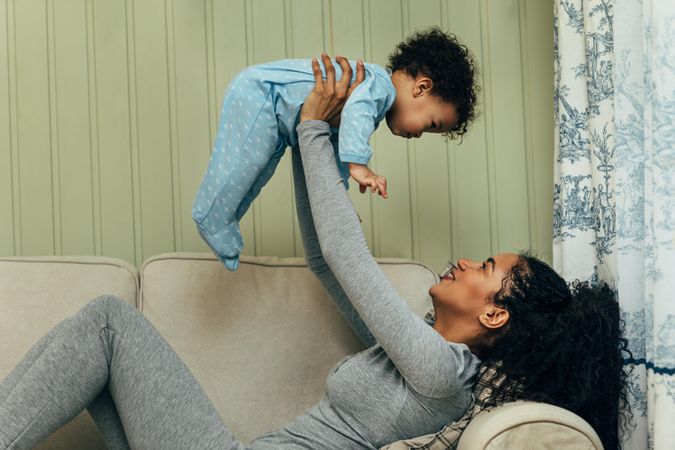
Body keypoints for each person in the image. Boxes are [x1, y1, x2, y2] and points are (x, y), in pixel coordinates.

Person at [0, 57, 628, 450]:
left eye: (484, 270)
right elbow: (330, 262)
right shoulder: (414, 346)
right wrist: (314, 134)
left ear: (495, 315)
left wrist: (310, 130)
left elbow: (348, 255)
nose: (464, 263)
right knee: (105, 338)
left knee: (111, 324)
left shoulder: (440, 373)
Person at [192, 27, 478, 271]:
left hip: (277, 116)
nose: (419, 135)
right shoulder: (378, 86)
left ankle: (224, 222)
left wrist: (339, 201)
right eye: (430, 124)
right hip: (261, 93)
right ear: (421, 88)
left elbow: (333, 147)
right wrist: (359, 166)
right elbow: (357, 113)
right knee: (243, 165)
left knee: (257, 174)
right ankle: (211, 216)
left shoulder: (373, 101)